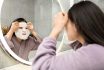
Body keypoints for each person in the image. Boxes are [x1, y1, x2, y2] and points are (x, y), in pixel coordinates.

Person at [32, 1, 104, 70]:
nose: (65, 25)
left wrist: (56, 29)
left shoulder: (91, 54)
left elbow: (41, 66)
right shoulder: (96, 50)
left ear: (76, 25)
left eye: (67, 22)